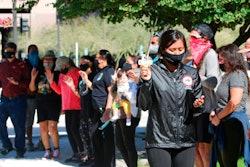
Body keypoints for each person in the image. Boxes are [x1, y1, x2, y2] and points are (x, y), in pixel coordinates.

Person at [137, 30, 204, 167]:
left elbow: (199, 106)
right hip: (159, 140)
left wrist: (198, 105)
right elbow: (144, 105)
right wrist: (146, 82)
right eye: (172, 50)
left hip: (186, 139)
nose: (177, 53)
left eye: (180, 49)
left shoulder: (191, 73)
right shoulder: (152, 71)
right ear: (162, 50)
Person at [210, 44, 250, 167]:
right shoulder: (227, 75)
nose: (219, 62)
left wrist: (218, 117)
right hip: (225, 121)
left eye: (221, 59)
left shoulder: (237, 75)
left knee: (229, 162)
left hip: (233, 122)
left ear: (230, 58)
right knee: (223, 162)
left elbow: (234, 102)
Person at [189, 23, 222, 167]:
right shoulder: (194, 55)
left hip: (207, 108)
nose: (191, 40)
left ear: (205, 38)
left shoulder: (210, 54)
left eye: (194, 37)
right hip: (195, 108)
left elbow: (212, 82)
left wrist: (195, 76)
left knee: (204, 148)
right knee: (195, 148)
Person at [80, 49, 116, 167]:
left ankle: (108, 163)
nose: (96, 60)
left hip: (104, 109)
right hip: (96, 109)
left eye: (98, 58)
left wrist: (108, 110)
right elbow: (94, 88)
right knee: (95, 135)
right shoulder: (100, 72)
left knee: (107, 138)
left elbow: (111, 91)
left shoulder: (109, 71)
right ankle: (99, 162)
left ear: (104, 58)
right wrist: (86, 79)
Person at [47, 56, 84, 163]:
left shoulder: (78, 73)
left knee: (75, 129)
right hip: (67, 106)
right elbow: (60, 91)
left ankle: (82, 152)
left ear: (68, 64)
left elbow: (81, 92)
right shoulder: (62, 75)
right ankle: (75, 153)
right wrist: (51, 82)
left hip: (78, 106)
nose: (60, 70)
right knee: (69, 130)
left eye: (62, 67)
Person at [29, 50, 61, 159]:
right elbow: (32, 89)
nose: (47, 61)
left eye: (50, 59)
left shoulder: (57, 73)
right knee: (43, 127)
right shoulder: (38, 72)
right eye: (46, 59)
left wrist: (52, 81)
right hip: (41, 102)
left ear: (53, 60)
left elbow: (60, 90)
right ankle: (48, 150)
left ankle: (56, 148)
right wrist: (33, 79)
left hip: (54, 102)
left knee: (52, 126)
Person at [0, 42, 30, 158]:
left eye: (10, 50)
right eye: (6, 50)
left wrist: (17, 83)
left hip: (18, 99)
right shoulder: (2, 66)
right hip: (5, 99)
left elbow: (28, 83)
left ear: (15, 51)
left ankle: (20, 150)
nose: (8, 52)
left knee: (18, 125)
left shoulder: (22, 65)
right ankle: (7, 145)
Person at [114, 55, 141, 167]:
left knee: (128, 143)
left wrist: (125, 92)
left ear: (135, 65)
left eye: (129, 63)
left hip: (131, 115)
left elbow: (135, 100)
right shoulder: (121, 80)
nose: (127, 65)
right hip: (120, 115)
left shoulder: (136, 81)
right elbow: (116, 99)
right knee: (120, 143)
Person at [78, 56, 96, 167]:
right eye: (81, 62)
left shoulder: (95, 76)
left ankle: (96, 158)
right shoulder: (80, 77)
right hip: (83, 110)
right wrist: (71, 87)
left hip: (92, 110)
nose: (82, 64)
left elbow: (95, 89)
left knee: (92, 135)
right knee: (83, 134)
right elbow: (81, 94)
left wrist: (86, 79)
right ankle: (89, 156)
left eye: (85, 62)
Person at [24, 44, 41, 151]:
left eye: (35, 50)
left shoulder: (41, 64)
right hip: (29, 96)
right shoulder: (24, 64)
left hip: (40, 97)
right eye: (31, 51)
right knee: (28, 120)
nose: (33, 53)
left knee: (43, 121)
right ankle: (29, 141)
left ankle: (42, 140)